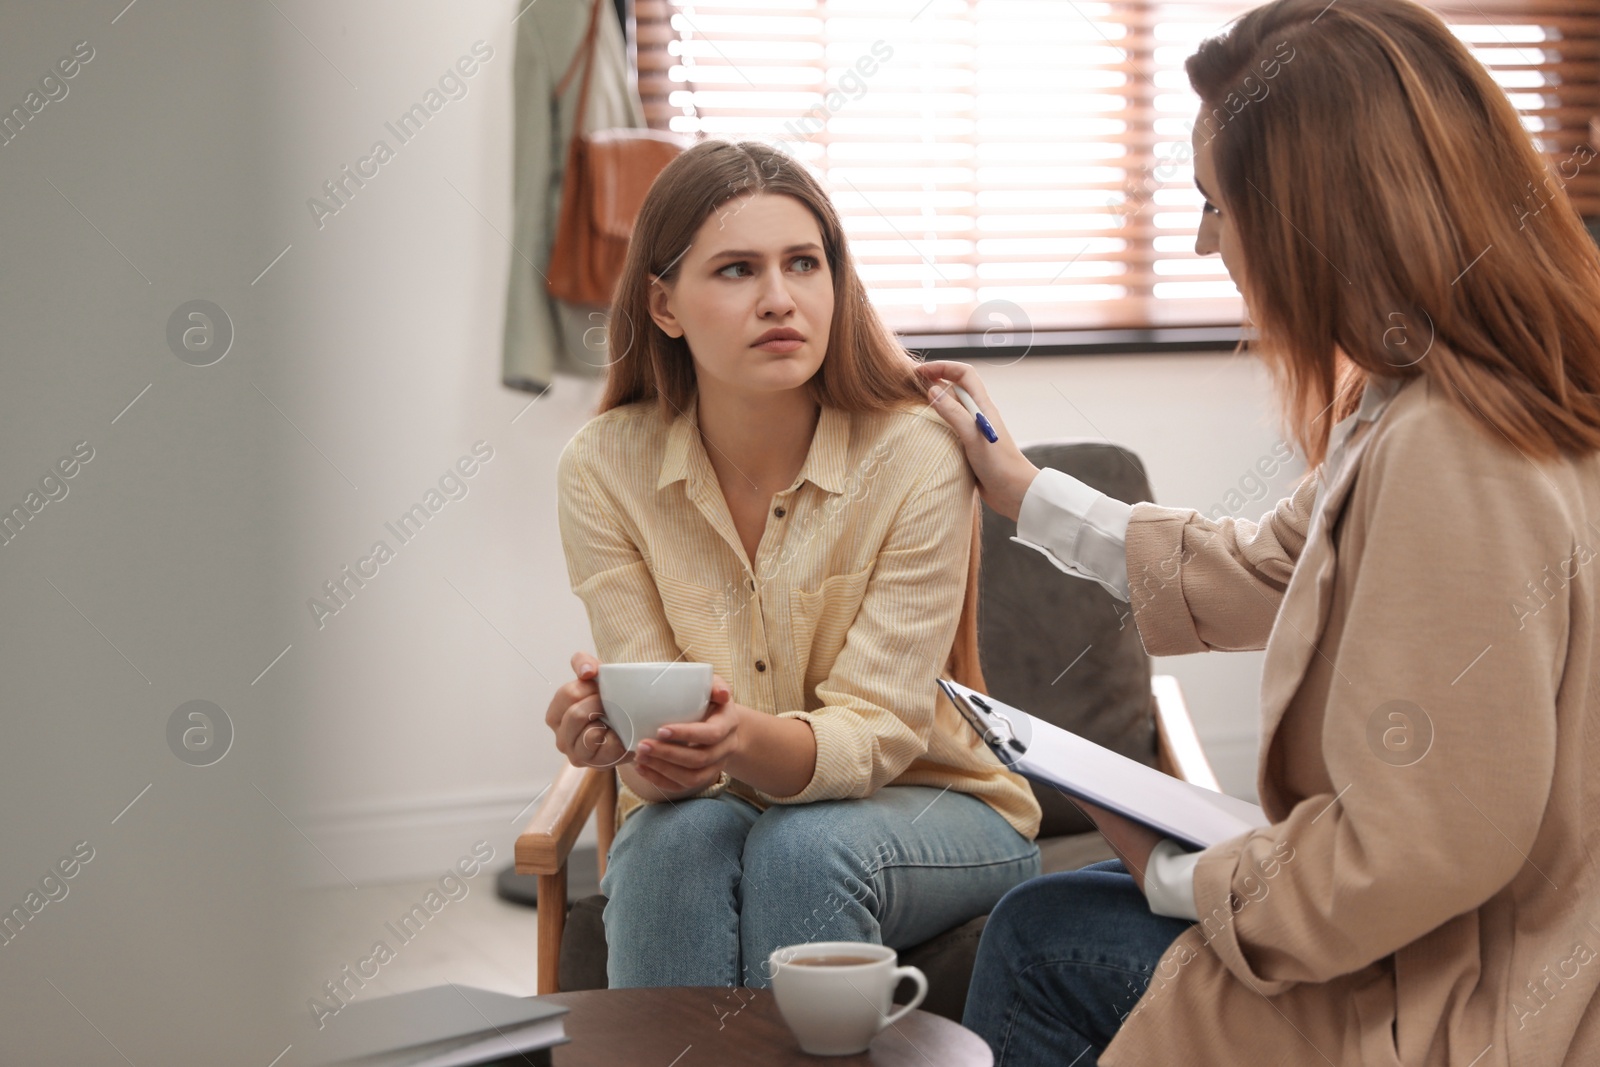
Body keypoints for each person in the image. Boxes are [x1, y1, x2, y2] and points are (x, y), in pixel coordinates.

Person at [917, 1, 1600, 1064]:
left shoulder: (1450, 444)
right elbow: (1266, 569)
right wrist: (1021, 491)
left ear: (1309, 216)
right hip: (1464, 931)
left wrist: (1180, 872)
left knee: (1046, 935)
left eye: (1213, 204)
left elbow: (1425, 846)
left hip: (1471, 988)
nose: (1201, 238)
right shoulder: (1445, 392)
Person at [544, 139, 1042, 989]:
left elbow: (879, 731)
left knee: (803, 846)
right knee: (668, 844)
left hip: (937, 804)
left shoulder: (916, 454)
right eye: (737, 270)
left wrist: (739, 739)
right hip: (720, 804)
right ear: (664, 304)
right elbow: (665, 746)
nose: (781, 299)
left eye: (804, 263)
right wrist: (624, 743)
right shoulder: (603, 468)